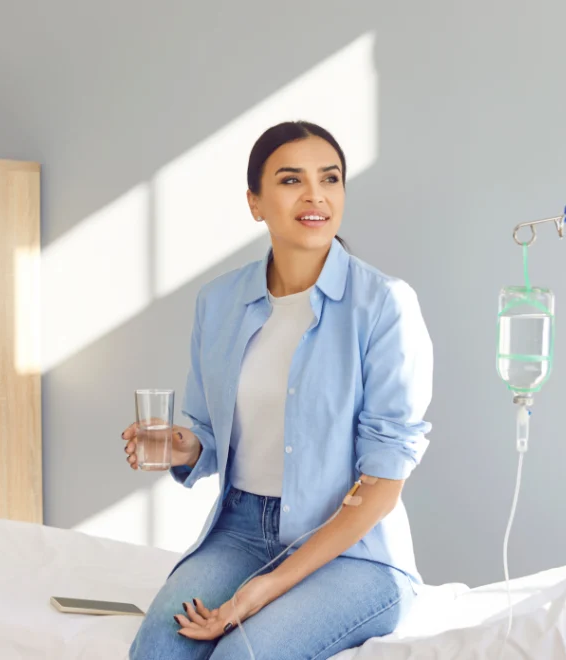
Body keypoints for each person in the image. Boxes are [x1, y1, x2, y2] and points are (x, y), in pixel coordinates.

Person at [124, 120, 434, 660]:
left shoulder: (384, 304)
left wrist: (264, 589)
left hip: (353, 549)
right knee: (158, 651)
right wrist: (187, 445)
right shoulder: (218, 302)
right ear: (255, 202)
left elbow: (383, 484)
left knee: (240, 656)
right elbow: (208, 430)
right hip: (241, 531)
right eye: (292, 180)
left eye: (330, 179)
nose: (315, 195)